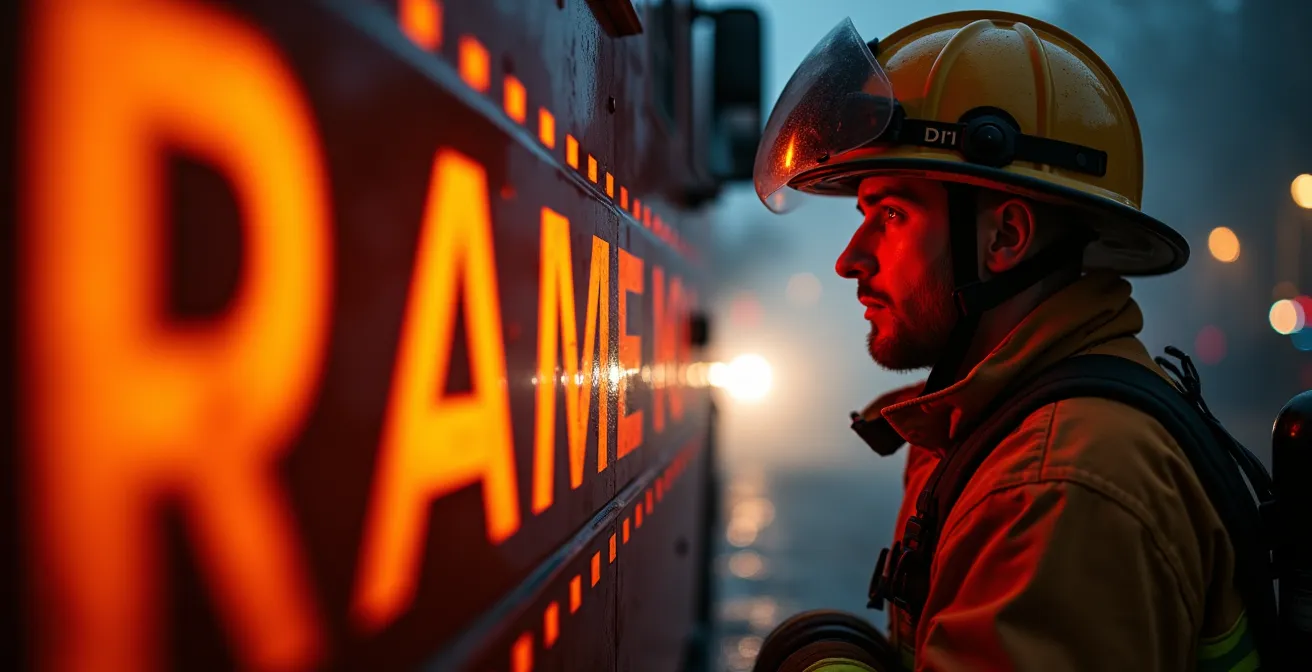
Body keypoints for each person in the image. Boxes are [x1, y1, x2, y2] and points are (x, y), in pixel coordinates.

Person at [752, 11, 1261, 671]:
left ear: (1005, 239)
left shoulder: (1059, 483)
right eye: (863, 216)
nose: (850, 259)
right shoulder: (1017, 421)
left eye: (893, 214)